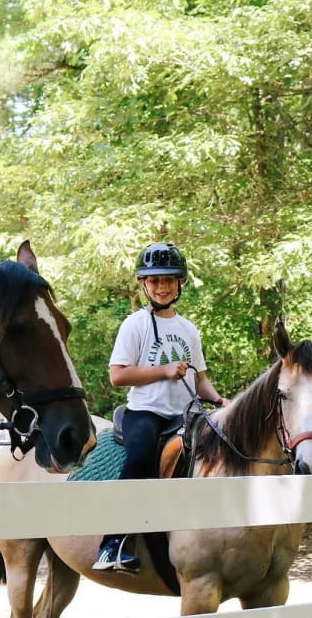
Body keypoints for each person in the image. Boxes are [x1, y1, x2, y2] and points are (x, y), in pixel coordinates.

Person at [92, 242, 228, 573]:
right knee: (139, 459)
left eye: (168, 280)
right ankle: (112, 543)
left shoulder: (188, 330)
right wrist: (163, 371)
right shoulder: (134, 325)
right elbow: (117, 375)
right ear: (143, 284)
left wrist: (221, 400)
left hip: (186, 416)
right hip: (146, 414)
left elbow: (199, 380)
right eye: (154, 281)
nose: (162, 287)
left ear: (180, 283)